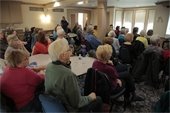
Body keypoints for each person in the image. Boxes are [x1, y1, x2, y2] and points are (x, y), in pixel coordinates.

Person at [45, 38, 102, 112]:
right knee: (98, 99)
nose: (71, 52)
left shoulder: (49, 66)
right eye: (68, 50)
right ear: (62, 56)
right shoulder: (68, 75)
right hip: (70, 109)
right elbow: (77, 103)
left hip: (57, 102)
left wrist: (67, 62)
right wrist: (90, 97)